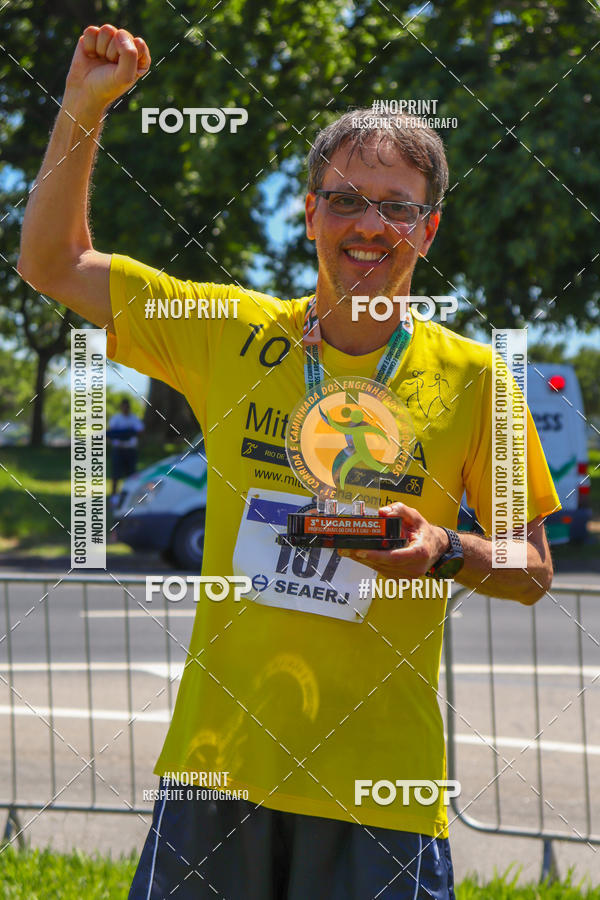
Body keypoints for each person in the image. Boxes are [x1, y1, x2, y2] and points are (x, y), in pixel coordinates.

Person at [17, 24, 559, 900]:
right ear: (310, 214)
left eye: (396, 206)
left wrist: (444, 549)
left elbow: (532, 567)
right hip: (215, 771)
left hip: (381, 790)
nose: (370, 225)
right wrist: (84, 107)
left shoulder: (478, 380)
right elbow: (51, 263)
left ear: (429, 228)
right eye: (346, 200)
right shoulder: (227, 331)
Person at [107, 397, 144, 497]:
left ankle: (130, 495)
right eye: (123, 407)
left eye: (127, 407)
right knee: (116, 475)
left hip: (130, 450)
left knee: (131, 475)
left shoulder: (134, 418)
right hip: (118, 449)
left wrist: (128, 433)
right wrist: (122, 434)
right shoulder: (116, 418)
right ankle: (114, 496)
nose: (125, 409)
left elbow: (140, 431)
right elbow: (110, 432)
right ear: (121, 407)